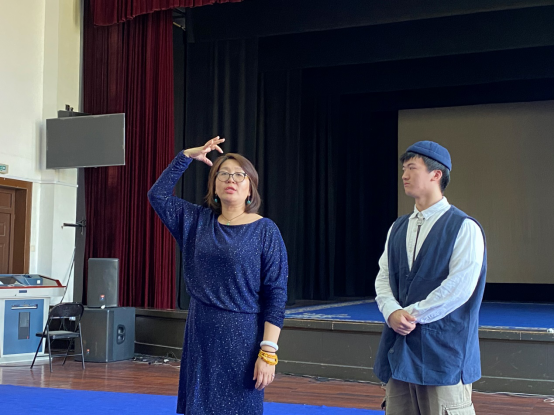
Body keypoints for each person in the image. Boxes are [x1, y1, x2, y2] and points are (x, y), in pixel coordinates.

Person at [148, 137, 288, 415]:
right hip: (201, 333)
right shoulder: (196, 221)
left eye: (239, 175)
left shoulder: (266, 230)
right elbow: (158, 196)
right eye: (222, 174)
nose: (230, 179)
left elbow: (276, 293)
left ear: (251, 186)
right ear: (213, 185)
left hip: (243, 336)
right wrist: (186, 156)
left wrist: (268, 351)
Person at [374, 141, 487, 415]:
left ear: (436, 174)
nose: (404, 175)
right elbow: (384, 276)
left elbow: (459, 288)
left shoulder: (464, 227)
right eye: (403, 169)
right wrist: (391, 312)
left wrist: (408, 315)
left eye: (412, 168)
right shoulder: (398, 227)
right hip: (400, 352)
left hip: (444, 355)